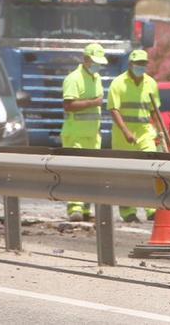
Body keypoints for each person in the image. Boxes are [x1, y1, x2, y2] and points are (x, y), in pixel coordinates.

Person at [107, 49, 163, 223]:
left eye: (143, 64)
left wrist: (159, 131)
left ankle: (151, 208)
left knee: (150, 170)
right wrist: (126, 132)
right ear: (130, 64)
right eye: (137, 63)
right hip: (124, 135)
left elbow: (154, 111)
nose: (140, 67)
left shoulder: (151, 83)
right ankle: (128, 211)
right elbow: (113, 110)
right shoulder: (118, 83)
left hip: (145, 131)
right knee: (126, 175)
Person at [61, 43, 107, 222]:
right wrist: (92, 103)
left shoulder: (97, 78)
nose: (98, 65)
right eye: (95, 61)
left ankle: (86, 207)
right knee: (76, 172)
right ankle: (75, 208)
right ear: (86, 59)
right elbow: (68, 105)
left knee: (91, 173)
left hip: (92, 135)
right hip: (76, 134)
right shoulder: (74, 78)